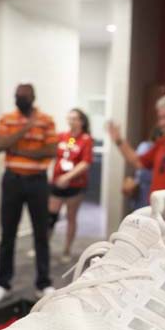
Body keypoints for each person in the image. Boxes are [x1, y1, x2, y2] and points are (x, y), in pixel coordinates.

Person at [0, 83, 57, 303]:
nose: (20, 99)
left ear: (33, 97)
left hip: (37, 182)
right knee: (7, 234)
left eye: (24, 96)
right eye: (17, 96)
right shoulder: (7, 119)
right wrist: (25, 130)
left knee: (41, 234)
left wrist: (18, 149)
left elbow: (51, 150)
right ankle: (2, 283)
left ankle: (43, 283)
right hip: (12, 181)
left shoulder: (47, 120)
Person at [49, 108, 93, 263]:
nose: (71, 121)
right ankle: (43, 246)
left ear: (81, 121)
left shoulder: (86, 139)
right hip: (57, 183)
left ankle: (67, 249)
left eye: (75, 118)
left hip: (75, 185)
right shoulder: (63, 137)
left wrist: (68, 177)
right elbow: (58, 154)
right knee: (50, 216)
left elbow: (85, 163)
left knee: (70, 217)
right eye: (70, 118)